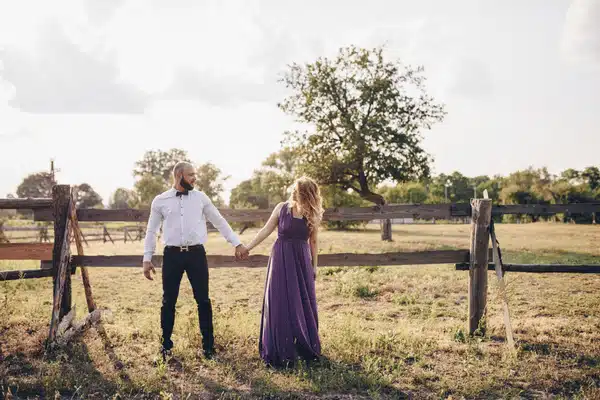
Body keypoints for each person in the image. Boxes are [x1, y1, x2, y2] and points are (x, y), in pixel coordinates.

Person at [142, 161, 249, 361]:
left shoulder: (201, 198)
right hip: (172, 255)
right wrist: (147, 258)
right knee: (168, 301)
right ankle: (165, 346)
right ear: (178, 175)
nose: (194, 178)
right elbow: (151, 230)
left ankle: (208, 347)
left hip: (196, 255)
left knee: (203, 300)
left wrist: (237, 243)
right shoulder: (160, 201)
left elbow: (219, 221)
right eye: (191, 174)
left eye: (194, 175)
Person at [244, 176, 323, 367]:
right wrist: (248, 247)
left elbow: (313, 242)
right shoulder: (281, 208)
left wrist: (314, 267)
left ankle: (303, 345)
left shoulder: (313, 213)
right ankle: (279, 346)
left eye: (296, 189)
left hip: (301, 260)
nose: (292, 192)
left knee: (301, 301)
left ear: (303, 192)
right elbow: (265, 230)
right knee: (279, 300)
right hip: (280, 258)